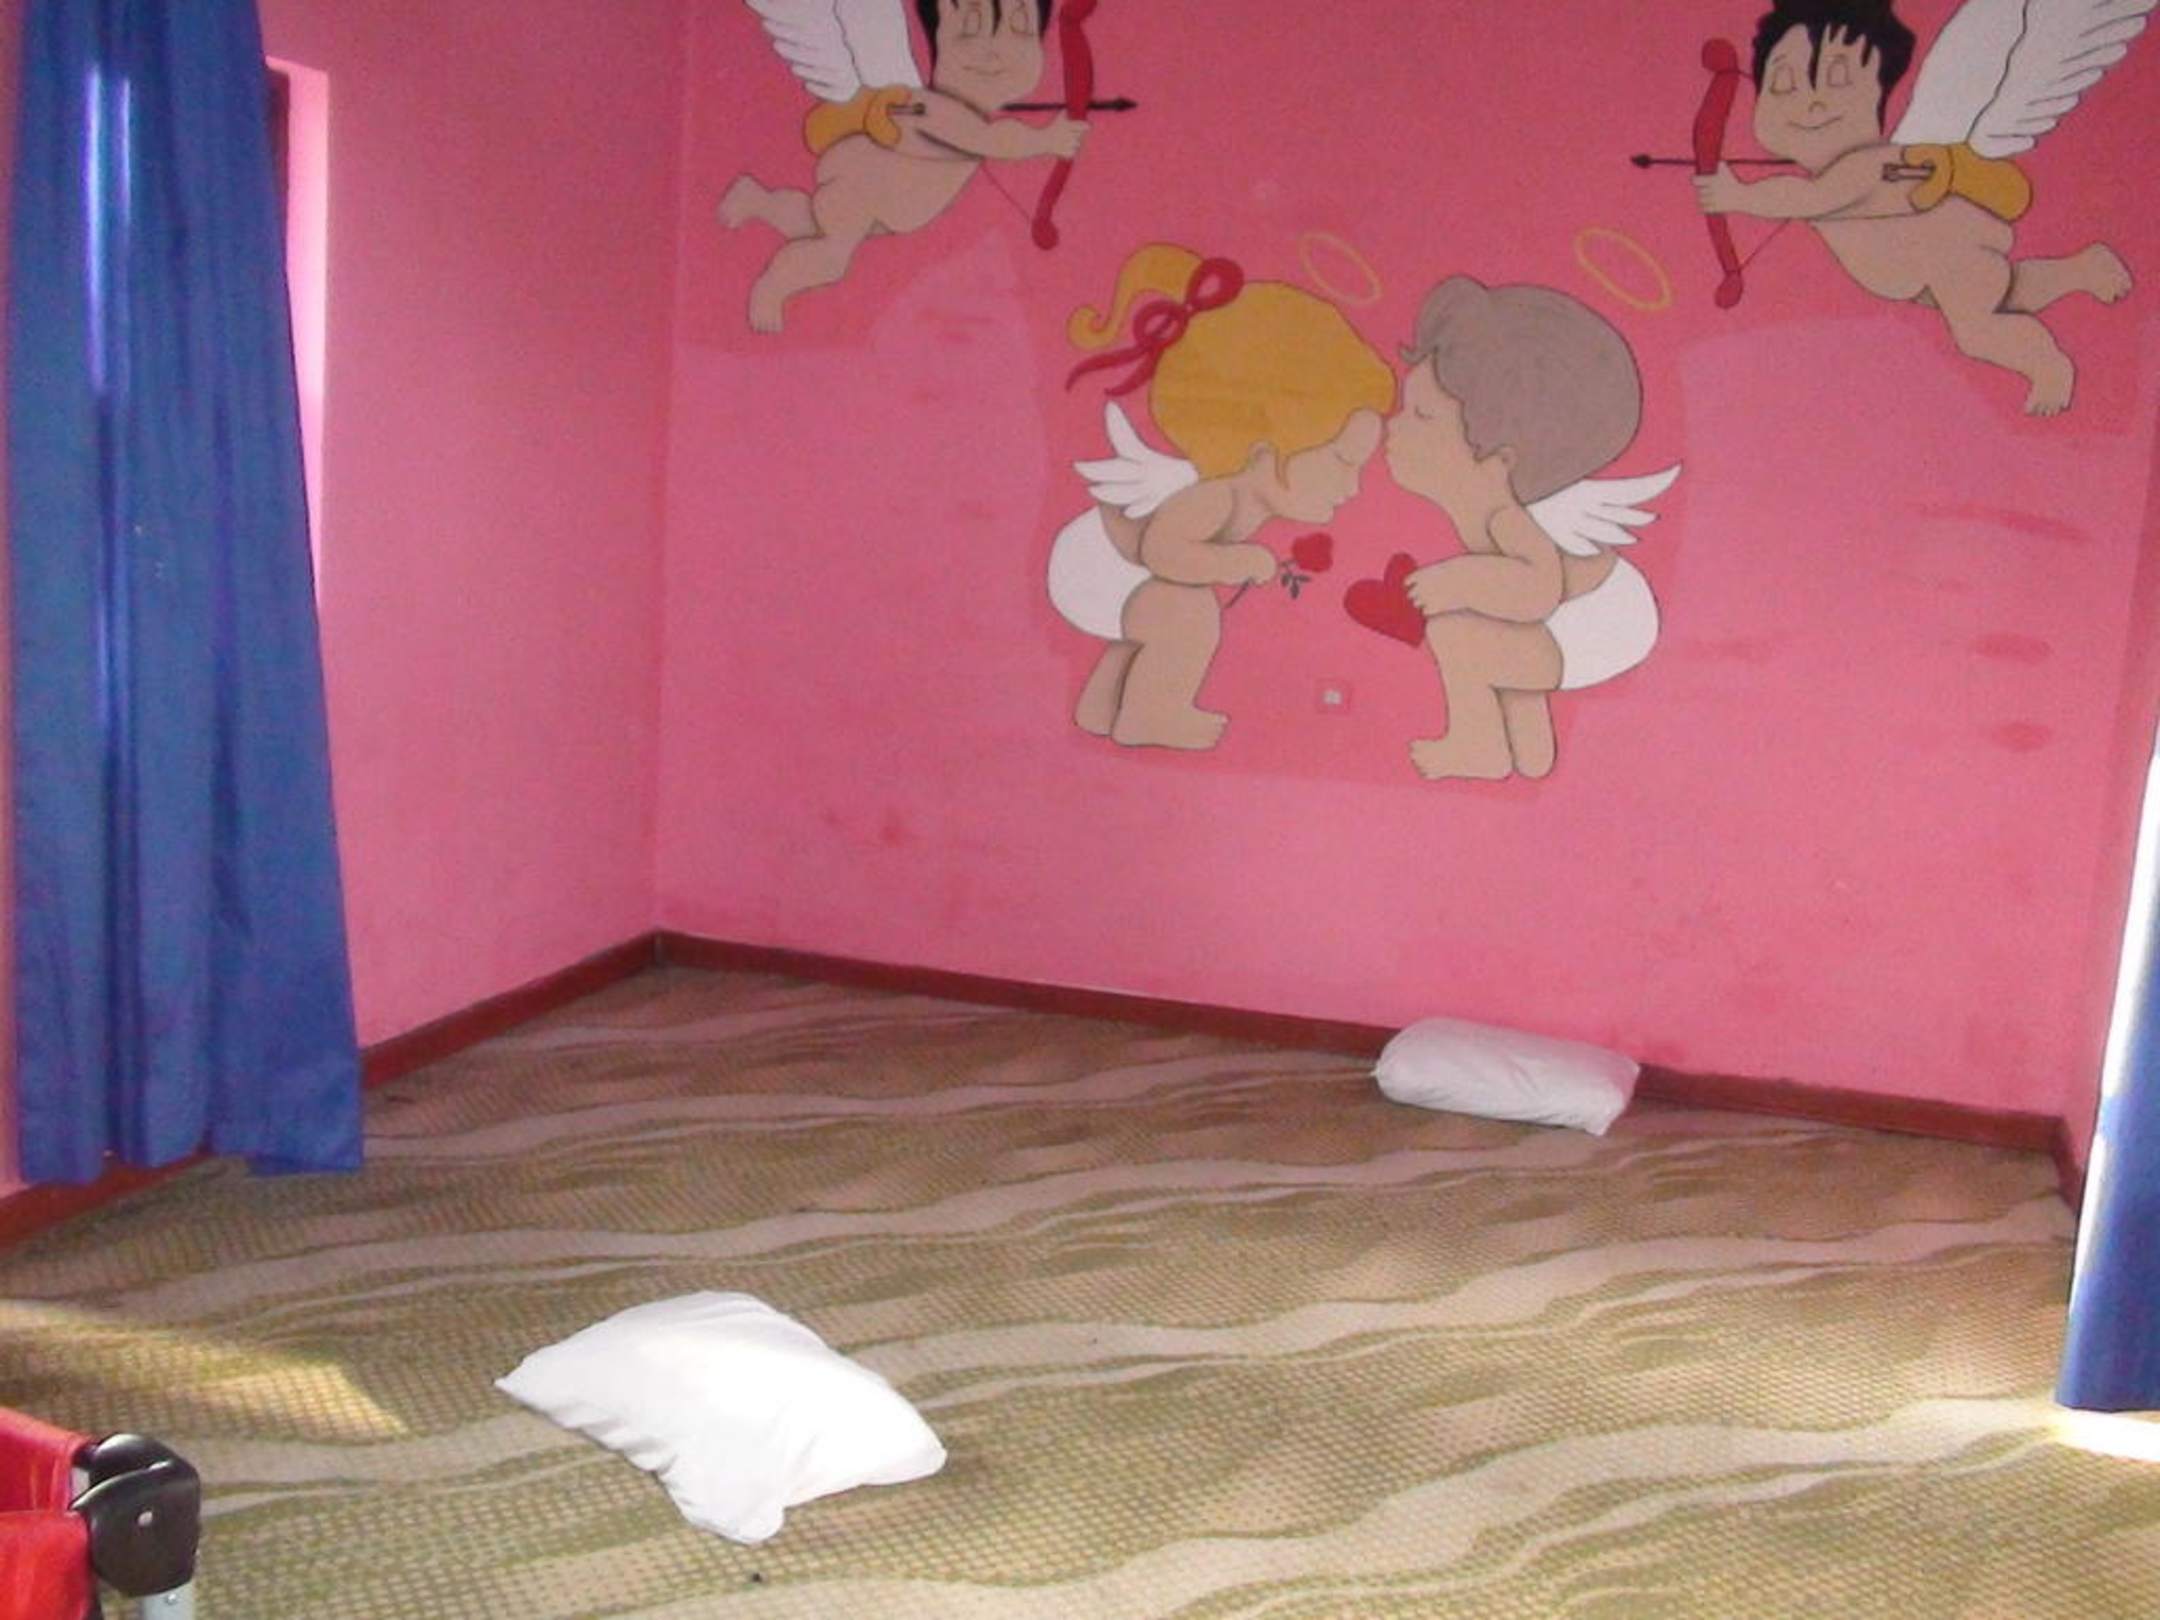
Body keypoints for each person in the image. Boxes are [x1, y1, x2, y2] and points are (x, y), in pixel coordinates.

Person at [1050, 245, 1394, 750]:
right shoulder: (1214, 497)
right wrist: (1237, 560)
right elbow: (1161, 552)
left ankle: (1101, 709)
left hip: (1120, 576)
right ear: (1268, 449)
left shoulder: (1235, 494)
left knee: (1158, 620)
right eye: (1342, 462)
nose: (1354, 486)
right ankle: (1152, 715)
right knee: (1188, 614)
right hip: (1106, 569)